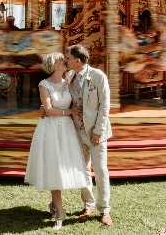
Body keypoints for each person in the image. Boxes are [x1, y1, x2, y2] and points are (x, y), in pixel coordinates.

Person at [25, 52, 90, 230]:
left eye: (64, 58)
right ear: (53, 65)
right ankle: (60, 213)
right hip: (51, 129)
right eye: (61, 60)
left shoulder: (69, 79)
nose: (65, 61)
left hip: (67, 129)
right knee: (54, 168)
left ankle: (55, 205)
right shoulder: (44, 85)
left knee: (64, 167)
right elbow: (49, 109)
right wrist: (69, 112)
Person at [64, 44, 113, 226]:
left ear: (77, 60)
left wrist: (98, 132)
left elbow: (104, 107)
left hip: (95, 133)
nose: (65, 60)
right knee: (82, 170)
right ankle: (88, 204)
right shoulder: (69, 77)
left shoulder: (98, 76)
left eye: (68, 58)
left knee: (100, 171)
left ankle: (104, 209)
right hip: (76, 132)